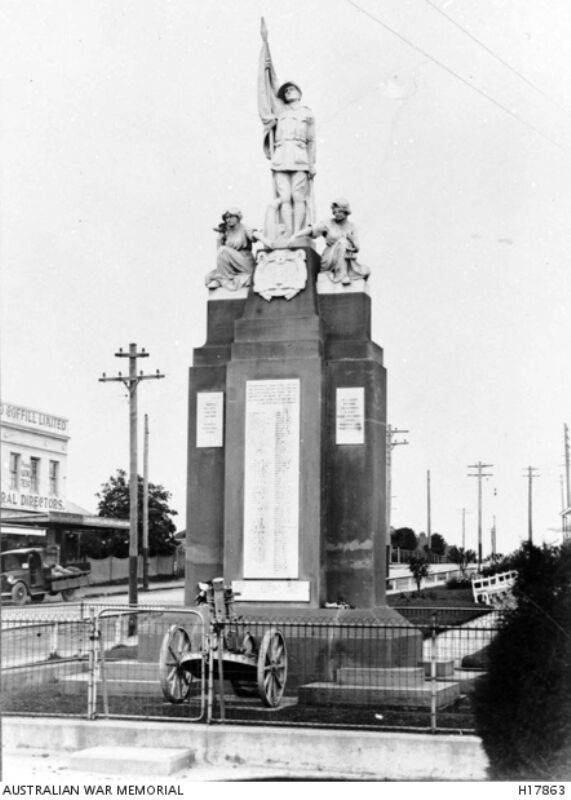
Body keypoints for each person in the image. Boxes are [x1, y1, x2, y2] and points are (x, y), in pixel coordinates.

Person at [258, 19, 316, 237]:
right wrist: (266, 52)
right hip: (282, 155)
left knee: (299, 197)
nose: (289, 91)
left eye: (293, 89)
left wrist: (312, 164)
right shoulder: (280, 113)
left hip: (300, 156)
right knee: (284, 198)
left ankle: (297, 234)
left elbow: (312, 141)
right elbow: (268, 86)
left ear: (299, 93)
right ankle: (286, 233)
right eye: (287, 90)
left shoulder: (307, 114)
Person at [291, 198, 370, 285]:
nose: (336, 214)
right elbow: (311, 229)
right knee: (342, 242)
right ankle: (341, 275)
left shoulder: (352, 226)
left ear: (345, 212)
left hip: (347, 259)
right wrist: (296, 235)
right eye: (335, 212)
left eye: (339, 212)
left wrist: (352, 241)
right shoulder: (328, 223)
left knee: (366, 271)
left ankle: (346, 272)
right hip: (330, 257)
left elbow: (357, 248)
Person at [204, 208, 268, 291]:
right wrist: (219, 238)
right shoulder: (226, 232)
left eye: (230, 216)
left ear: (237, 217)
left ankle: (223, 279)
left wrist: (267, 241)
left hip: (245, 262)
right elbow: (220, 256)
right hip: (232, 264)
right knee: (209, 276)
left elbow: (254, 235)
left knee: (223, 250)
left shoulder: (244, 228)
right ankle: (223, 279)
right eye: (226, 218)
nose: (228, 219)